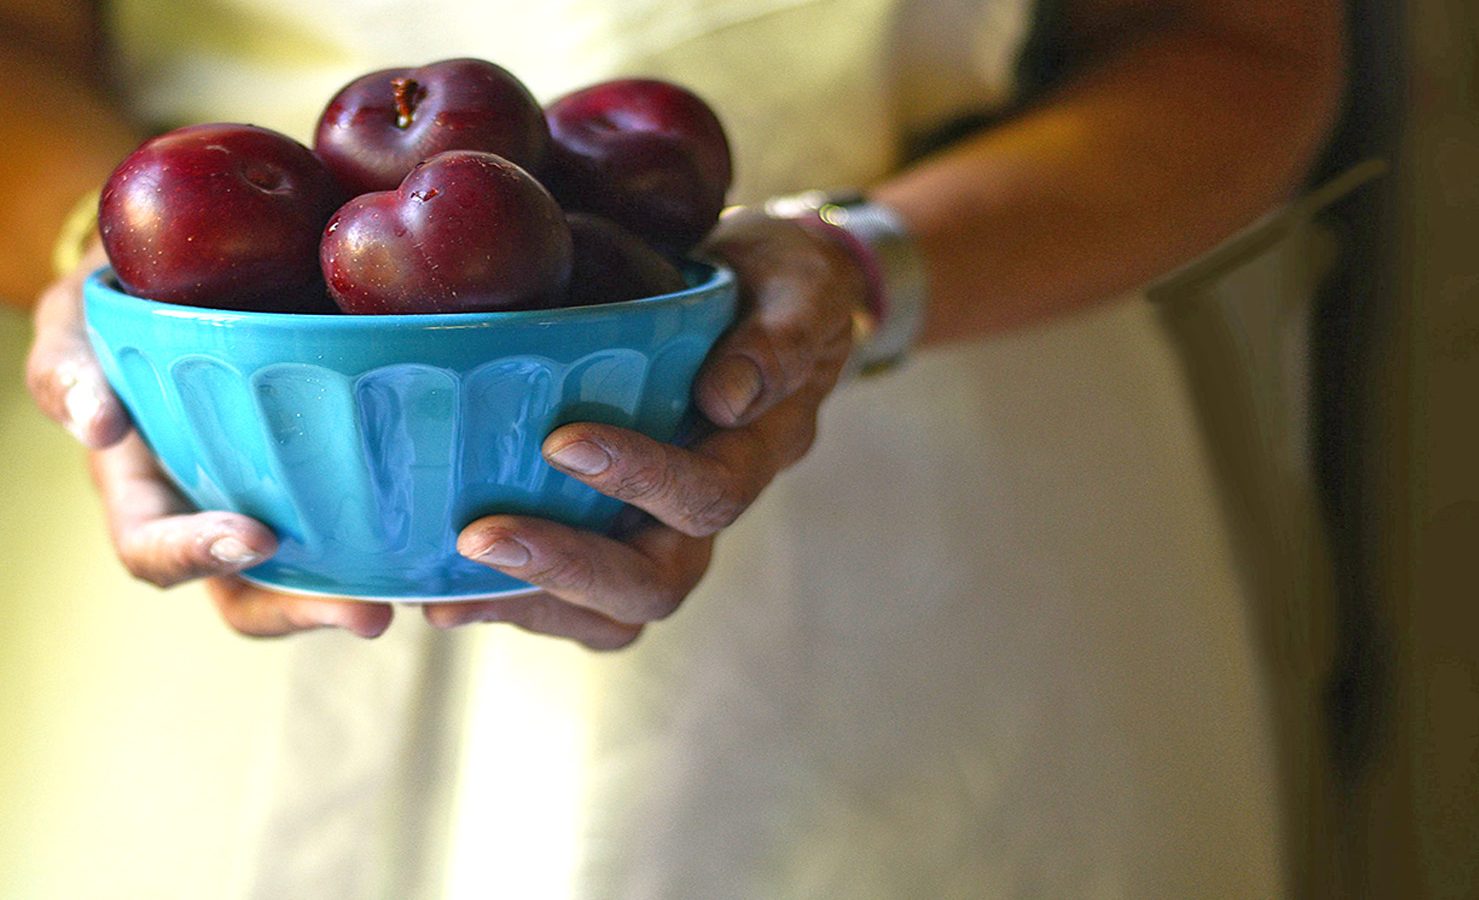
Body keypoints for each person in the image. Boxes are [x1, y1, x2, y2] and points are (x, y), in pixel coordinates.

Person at [4, 0, 1345, 895]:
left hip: (929, 527)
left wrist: (864, 272)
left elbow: (1236, 42)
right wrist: (109, 287)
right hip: (222, 430)